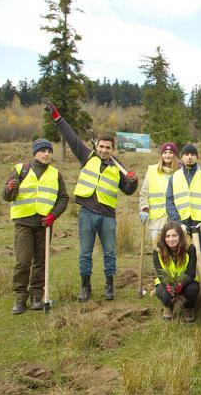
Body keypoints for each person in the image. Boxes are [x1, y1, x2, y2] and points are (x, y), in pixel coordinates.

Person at [46, 102, 138, 302]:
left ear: (113, 149)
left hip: (107, 216)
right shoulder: (86, 156)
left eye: (108, 148)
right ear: (97, 146)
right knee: (85, 253)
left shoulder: (118, 167)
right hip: (87, 212)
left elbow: (129, 190)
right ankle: (85, 287)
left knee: (110, 253)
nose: (104, 150)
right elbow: (70, 136)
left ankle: (109, 286)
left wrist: (134, 180)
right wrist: (57, 117)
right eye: (101, 147)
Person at [2, 138, 69, 314]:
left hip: (44, 225)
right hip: (23, 223)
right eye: (43, 151)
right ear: (35, 153)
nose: (47, 154)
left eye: (49, 151)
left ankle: (36, 297)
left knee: (41, 262)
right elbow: (6, 196)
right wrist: (9, 189)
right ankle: (20, 298)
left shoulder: (56, 174)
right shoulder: (20, 170)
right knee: (23, 262)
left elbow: (63, 198)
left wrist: (53, 215)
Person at [166, 144, 201, 266]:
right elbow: (169, 202)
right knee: (183, 261)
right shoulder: (174, 177)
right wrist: (177, 222)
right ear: (182, 157)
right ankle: (189, 284)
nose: (190, 157)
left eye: (193, 154)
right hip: (182, 225)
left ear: (197, 157)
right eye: (187, 154)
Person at [152, 221, 199, 322]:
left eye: (174, 235)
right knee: (163, 294)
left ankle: (189, 307)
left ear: (180, 236)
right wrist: (168, 285)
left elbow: (191, 273)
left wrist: (180, 285)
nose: (171, 239)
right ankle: (168, 306)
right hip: (166, 282)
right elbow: (160, 273)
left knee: (192, 291)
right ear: (163, 238)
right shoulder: (157, 250)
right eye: (167, 236)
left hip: (186, 281)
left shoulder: (190, 248)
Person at [139, 143, 180, 246]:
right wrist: (144, 208)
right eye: (165, 152)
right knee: (158, 249)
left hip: (175, 218)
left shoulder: (180, 173)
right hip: (157, 219)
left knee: (174, 249)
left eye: (171, 153)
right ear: (161, 155)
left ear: (174, 155)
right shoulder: (152, 171)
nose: (167, 155)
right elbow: (144, 192)